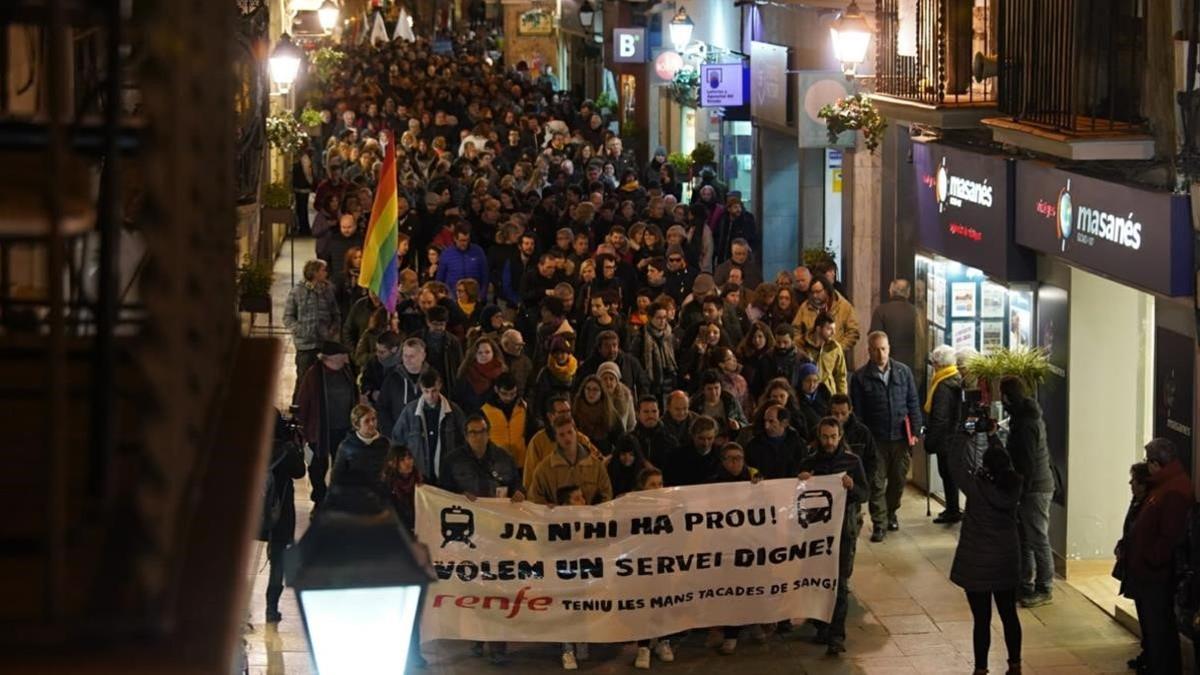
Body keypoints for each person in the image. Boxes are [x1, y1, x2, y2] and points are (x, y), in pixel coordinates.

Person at [945, 434, 1024, 675]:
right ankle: (1015, 664)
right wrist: (993, 437)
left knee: (982, 620)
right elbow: (1002, 463)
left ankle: (981, 669)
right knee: (1009, 614)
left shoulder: (975, 487)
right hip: (1005, 563)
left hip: (977, 564)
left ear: (985, 467)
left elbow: (954, 464)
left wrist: (964, 434)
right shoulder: (1015, 486)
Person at [798, 417, 869, 655]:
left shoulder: (852, 461)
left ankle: (836, 635)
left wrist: (851, 487)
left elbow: (864, 493)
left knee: (838, 584)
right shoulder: (809, 463)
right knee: (817, 581)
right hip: (815, 534)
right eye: (825, 437)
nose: (829, 442)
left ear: (840, 436)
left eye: (833, 437)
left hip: (842, 532)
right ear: (819, 437)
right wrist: (802, 483)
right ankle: (821, 626)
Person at [1126, 438, 1193, 674]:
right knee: (1155, 631)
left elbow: (1169, 536)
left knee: (1160, 630)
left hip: (1157, 575)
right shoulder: (1164, 486)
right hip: (1150, 572)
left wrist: (1150, 559)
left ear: (1157, 463)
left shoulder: (1173, 490)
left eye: (1148, 460)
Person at [850, 331, 921, 542]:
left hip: (900, 437)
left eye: (884, 349)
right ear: (869, 351)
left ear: (889, 348)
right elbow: (858, 412)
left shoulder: (903, 372)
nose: (881, 354)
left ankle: (891, 513)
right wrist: (862, 440)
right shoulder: (860, 378)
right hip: (876, 439)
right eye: (876, 349)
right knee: (876, 482)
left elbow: (912, 402)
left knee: (898, 481)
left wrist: (915, 431)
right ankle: (879, 523)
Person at [999, 376, 1055, 608]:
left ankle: (1044, 586)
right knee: (1025, 538)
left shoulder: (1025, 423)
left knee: (1037, 537)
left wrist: (1020, 492)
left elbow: (1027, 464)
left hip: (1034, 490)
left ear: (1006, 396)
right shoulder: (1024, 417)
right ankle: (1026, 583)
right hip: (1031, 487)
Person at [258, 411, 306, 624]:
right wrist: (291, 441)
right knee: (277, 561)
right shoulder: (285, 449)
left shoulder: (248, 445)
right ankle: (271, 608)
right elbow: (299, 472)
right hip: (281, 513)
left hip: (252, 512)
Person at [296, 341, 357, 506]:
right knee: (317, 466)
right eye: (342, 355)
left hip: (344, 428)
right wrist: (302, 431)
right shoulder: (314, 374)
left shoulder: (346, 371)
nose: (346, 358)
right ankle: (319, 497)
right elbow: (303, 402)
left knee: (342, 465)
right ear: (331, 358)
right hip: (320, 430)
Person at [391, 370, 466, 487]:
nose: (430, 396)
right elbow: (397, 442)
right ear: (421, 388)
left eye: (434, 391)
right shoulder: (409, 412)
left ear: (440, 386)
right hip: (418, 476)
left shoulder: (454, 412)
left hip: (447, 476)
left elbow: (464, 442)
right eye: (426, 391)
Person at [283, 259, 341, 402]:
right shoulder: (297, 291)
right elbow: (288, 317)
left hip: (323, 343)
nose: (326, 273)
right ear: (314, 272)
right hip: (305, 345)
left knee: (322, 380)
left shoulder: (328, 291)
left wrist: (332, 330)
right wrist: (301, 330)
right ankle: (297, 409)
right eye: (323, 270)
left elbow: (335, 313)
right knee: (303, 378)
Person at [1114, 462, 1151, 672]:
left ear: (1143, 484)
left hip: (1142, 566)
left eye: (1134, 480)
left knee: (1149, 616)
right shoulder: (1138, 502)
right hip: (1135, 564)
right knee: (1143, 614)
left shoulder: (1146, 505)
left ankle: (1150, 656)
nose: (1130, 483)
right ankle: (1147, 654)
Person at [528, 418, 613, 505]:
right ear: (556, 437)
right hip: (558, 517)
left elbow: (606, 494)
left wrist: (595, 513)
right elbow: (535, 497)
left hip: (589, 517)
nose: (567, 438)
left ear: (576, 433)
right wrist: (547, 508)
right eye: (561, 435)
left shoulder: (596, 466)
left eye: (570, 432)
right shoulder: (544, 469)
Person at [925, 345, 965, 525]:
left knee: (947, 474)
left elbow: (940, 418)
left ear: (939, 365)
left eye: (934, 363)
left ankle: (952, 510)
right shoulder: (955, 378)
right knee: (950, 475)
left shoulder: (943, 385)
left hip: (946, 440)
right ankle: (953, 508)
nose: (933, 367)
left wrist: (930, 441)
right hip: (954, 437)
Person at [449, 414, 526, 501]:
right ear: (466, 437)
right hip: (466, 510)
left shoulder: (505, 458)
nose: (479, 437)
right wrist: (460, 495)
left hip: (497, 511)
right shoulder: (452, 460)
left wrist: (519, 492)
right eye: (473, 432)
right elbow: (443, 492)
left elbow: (516, 485)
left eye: (482, 431)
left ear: (489, 434)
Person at [792, 276, 859, 365]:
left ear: (827, 290)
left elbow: (853, 332)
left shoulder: (844, 307)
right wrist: (802, 349)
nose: (815, 295)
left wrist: (837, 349)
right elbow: (796, 330)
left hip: (835, 360)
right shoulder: (805, 306)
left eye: (818, 292)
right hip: (810, 358)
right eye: (812, 292)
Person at [869, 279, 923, 389]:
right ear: (908, 293)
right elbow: (921, 337)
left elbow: (875, 338)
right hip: (911, 363)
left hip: (887, 364)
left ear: (891, 291)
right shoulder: (915, 311)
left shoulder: (881, 310)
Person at [376, 337, 431, 434]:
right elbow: (382, 407)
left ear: (423, 356)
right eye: (405, 356)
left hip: (426, 437)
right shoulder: (393, 378)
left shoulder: (433, 377)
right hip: (399, 436)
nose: (407, 360)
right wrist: (391, 431)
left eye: (412, 356)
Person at [332, 404, 390, 494]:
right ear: (357, 424)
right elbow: (337, 477)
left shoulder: (385, 444)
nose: (372, 424)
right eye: (367, 421)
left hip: (380, 495)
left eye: (374, 419)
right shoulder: (347, 446)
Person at [480, 373, 529, 468]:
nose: (509, 398)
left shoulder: (523, 408)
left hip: (521, 463)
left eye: (512, 394)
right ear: (496, 390)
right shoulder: (485, 410)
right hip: (496, 464)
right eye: (504, 394)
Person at [744, 404, 805, 480]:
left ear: (784, 423)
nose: (766, 426)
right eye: (765, 421)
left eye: (771, 421)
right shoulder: (753, 445)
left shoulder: (798, 444)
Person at [829, 394, 877, 488]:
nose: (839, 418)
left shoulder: (862, 432)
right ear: (830, 411)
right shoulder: (819, 430)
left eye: (843, 413)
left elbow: (872, 460)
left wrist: (863, 483)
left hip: (854, 488)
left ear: (850, 410)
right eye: (835, 413)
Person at [453, 335, 507, 414]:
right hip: (471, 420)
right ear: (474, 355)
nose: (484, 355)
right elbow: (458, 402)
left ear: (493, 353)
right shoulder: (465, 374)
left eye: (487, 352)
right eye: (480, 352)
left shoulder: (502, 374)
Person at [662, 415, 721, 487]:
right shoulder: (677, 456)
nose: (706, 443)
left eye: (710, 438)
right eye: (701, 438)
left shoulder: (720, 455)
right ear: (693, 435)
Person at [801, 312, 848, 395]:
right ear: (818, 329)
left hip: (828, 394)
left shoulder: (835, 348)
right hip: (806, 393)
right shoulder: (802, 345)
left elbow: (841, 376)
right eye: (829, 329)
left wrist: (842, 397)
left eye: (834, 329)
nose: (833, 333)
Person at [437, 223, 490, 294]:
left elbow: (485, 275)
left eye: (467, 240)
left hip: (474, 297)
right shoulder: (446, 254)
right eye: (462, 240)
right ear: (455, 238)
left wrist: (482, 295)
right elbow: (440, 279)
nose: (465, 243)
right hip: (453, 298)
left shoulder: (478, 251)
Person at [381, 445, 422, 533]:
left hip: (419, 528)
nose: (408, 462)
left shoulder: (421, 480)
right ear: (391, 463)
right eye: (402, 460)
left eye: (410, 458)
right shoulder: (386, 485)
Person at [597, 361, 636, 432]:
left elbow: (631, 424)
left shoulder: (626, 396)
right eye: (605, 378)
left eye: (611, 379)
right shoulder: (595, 397)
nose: (608, 382)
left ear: (616, 381)